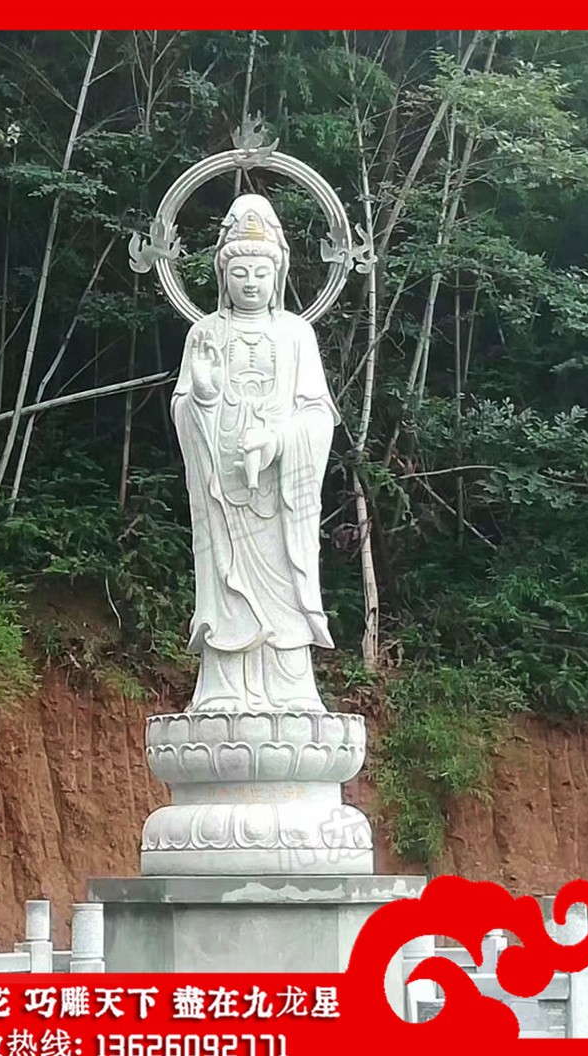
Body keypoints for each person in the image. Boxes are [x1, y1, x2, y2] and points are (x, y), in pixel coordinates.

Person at [172, 194, 339, 713]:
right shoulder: (205, 333)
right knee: (226, 583)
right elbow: (183, 408)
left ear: (278, 274)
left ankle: (291, 688)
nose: (250, 282)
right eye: (239, 272)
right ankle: (224, 687)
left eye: (261, 273)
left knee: (284, 581)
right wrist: (202, 394)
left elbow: (318, 414)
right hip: (224, 490)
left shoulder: (295, 334)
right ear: (222, 275)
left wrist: (280, 441)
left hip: (279, 492)